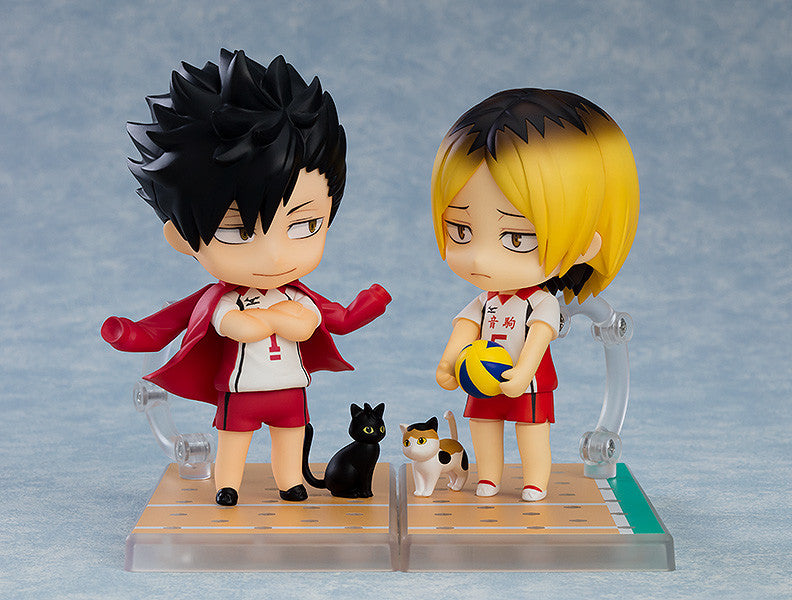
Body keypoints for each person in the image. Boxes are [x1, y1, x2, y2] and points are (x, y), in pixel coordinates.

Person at [102, 49, 390, 505]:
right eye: (237, 232)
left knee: (290, 436)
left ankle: (290, 482)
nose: (275, 256)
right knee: (234, 440)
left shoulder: (299, 294)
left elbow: (332, 318)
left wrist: (369, 302)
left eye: (304, 225)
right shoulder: (222, 300)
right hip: (239, 389)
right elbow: (185, 323)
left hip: (289, 388)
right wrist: (129, 333)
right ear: (182, 237)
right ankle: (228, 484)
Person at [431, 88, 638, 500]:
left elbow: (541, 336)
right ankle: (489, 477)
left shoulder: (539, 302)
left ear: (586, 242)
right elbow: (465, 326)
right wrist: (448, 361)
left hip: (526, 381)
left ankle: (534, 480)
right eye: (461, 230)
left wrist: (524, 371)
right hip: (481, 373)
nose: (481, 258)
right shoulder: (486, 300)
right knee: (482, 426)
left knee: (531, 431)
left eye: (517, 238)